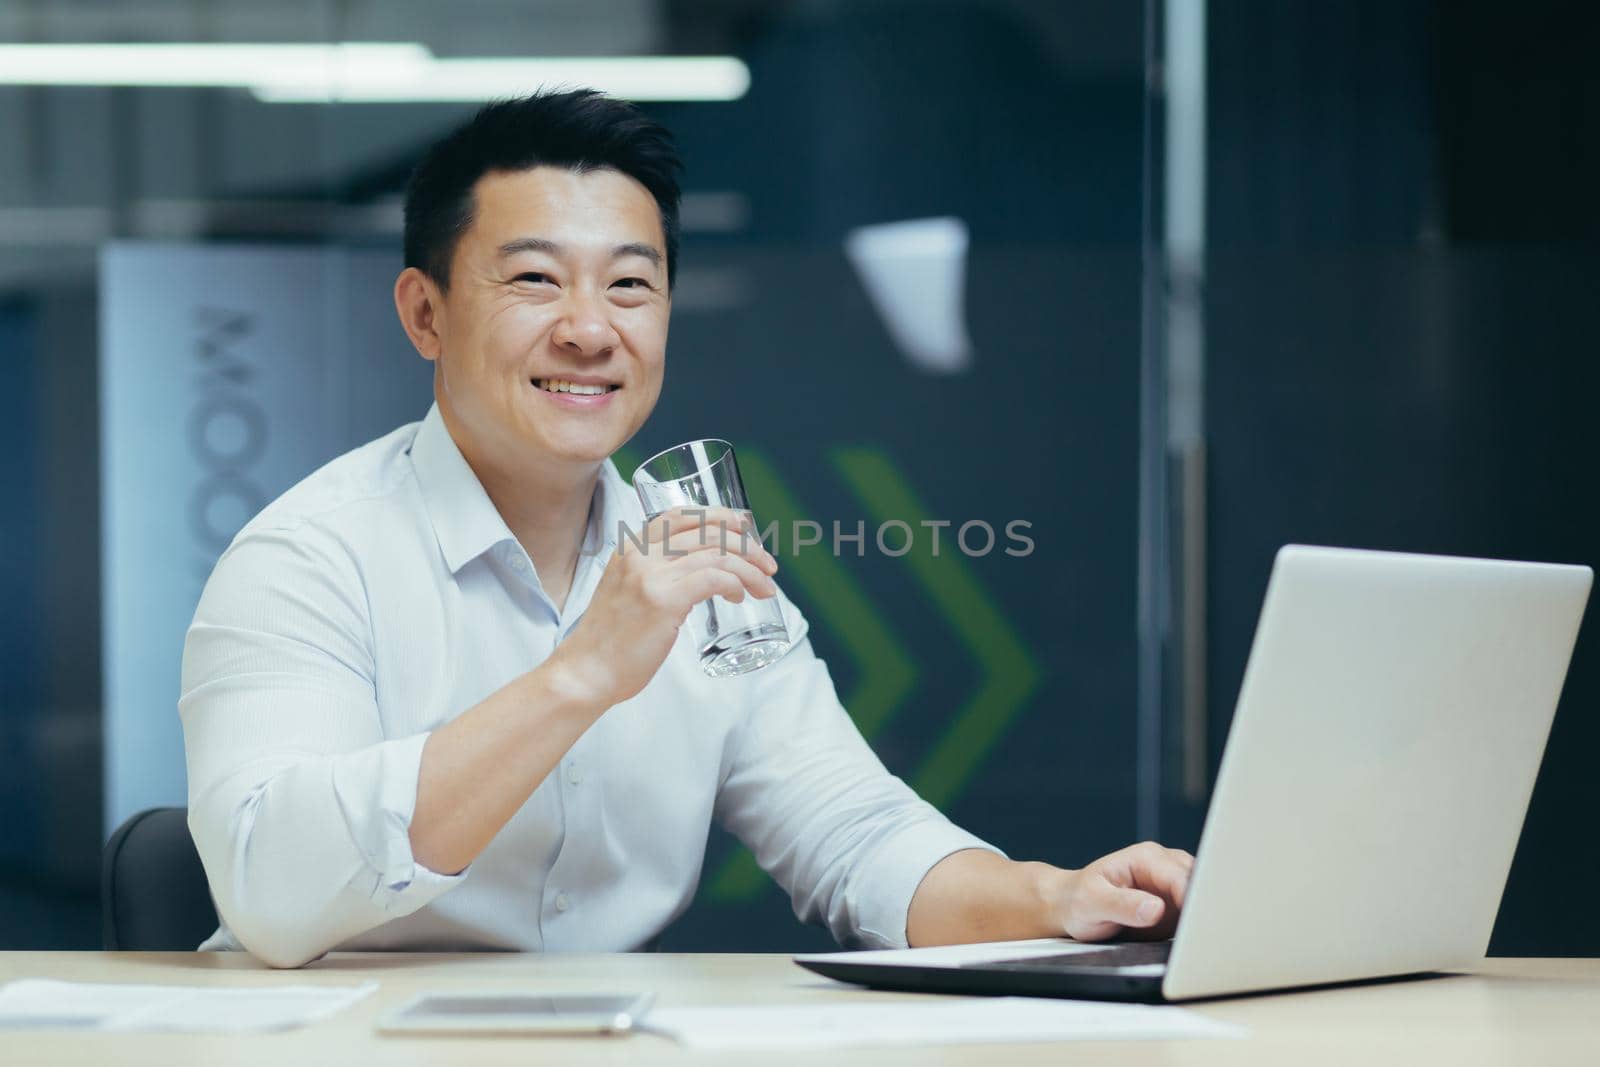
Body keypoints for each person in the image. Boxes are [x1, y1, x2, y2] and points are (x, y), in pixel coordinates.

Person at [180, 89, 1193, 969]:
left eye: (629, 283)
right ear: (425, 314)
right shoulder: (308, 557)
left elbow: (852, 834)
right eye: (535, 278)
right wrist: (581, 672)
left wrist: (1053, 900)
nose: (589, 326)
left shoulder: (693, 554)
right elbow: (269, 890)